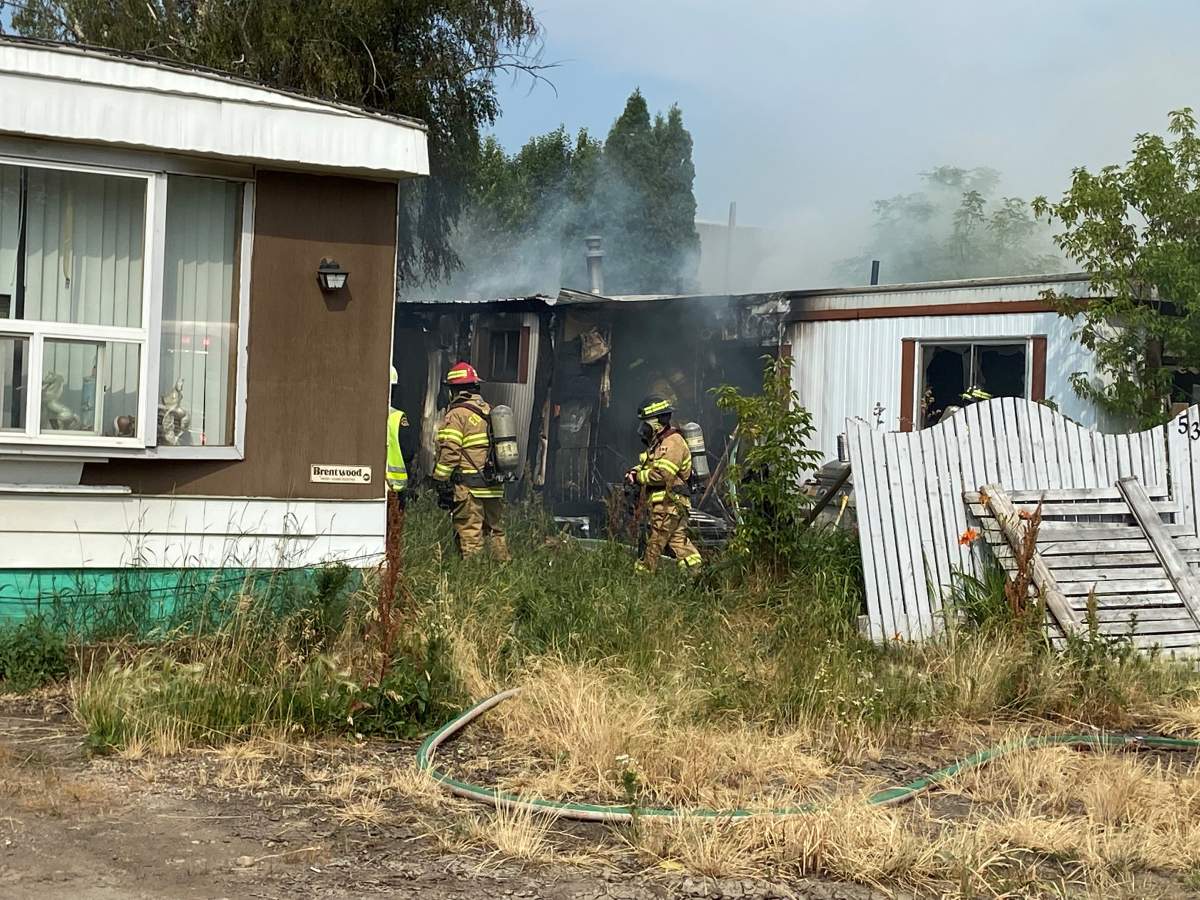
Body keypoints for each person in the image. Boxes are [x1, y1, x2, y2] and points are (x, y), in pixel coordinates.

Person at [431, 362, 510, 561]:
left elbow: (450, 452)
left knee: (470, 531)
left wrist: (440, 479)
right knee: (495, 530)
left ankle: (474, 577)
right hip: (493, 484)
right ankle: (501, 570)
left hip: (469, 486)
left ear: (455, 389)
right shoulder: (489, 410)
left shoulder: (457, 414)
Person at [625, 395, 702, 573]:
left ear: (655, 423)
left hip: (669, 503)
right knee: (678, 543)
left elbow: (663, 474)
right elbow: (651, 465)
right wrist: (635, 471)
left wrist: (638, 478)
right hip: (671, 504)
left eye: (645, 423)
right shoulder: (659, 444)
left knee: (654, 543)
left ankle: (642, 579)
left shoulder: (672, 442)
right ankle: (697, 576)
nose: (642, 429)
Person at [385, 365, 409, 548]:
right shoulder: (398, 417)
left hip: (369, 484)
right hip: (394, 485)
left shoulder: (362, 414)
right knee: (393, 533)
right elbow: (408, 450)